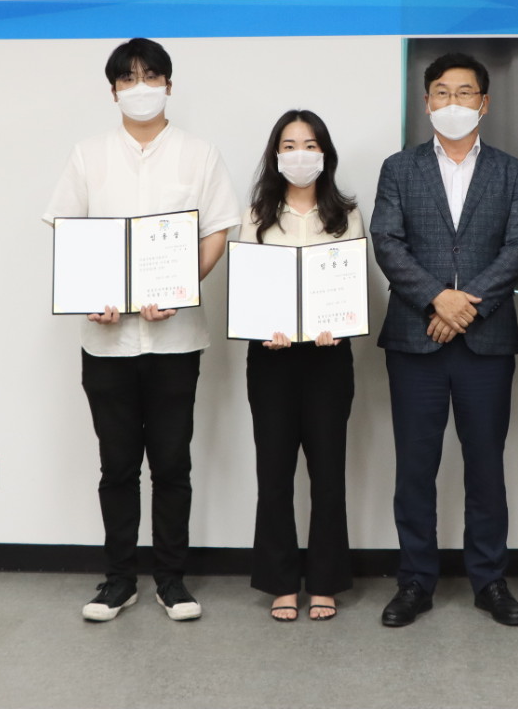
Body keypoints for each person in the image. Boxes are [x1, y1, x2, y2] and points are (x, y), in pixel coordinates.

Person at [43, 37, 242, 624]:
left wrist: (180, 285)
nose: (140, 88)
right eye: (127, 79)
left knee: (173, 464)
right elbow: (68, 232)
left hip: (176, 340)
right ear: (113, 92)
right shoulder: (88, 155)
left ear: (169, 85)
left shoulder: (199, 154)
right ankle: (119, 580)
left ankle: (172, 580)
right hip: (105, 341)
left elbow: (218, 230)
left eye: (150, 76)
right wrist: (90, 294)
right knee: (117, 466)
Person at [369, 51, 518, 628]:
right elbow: (387, 241)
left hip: (486, 342)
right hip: (415, 339)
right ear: (426, 103)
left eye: (465, 93)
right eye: (442, 92)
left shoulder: (510, 171)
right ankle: (415, 581)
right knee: (415, 467)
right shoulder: (399, 168)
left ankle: (490, 581)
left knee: (486, 466)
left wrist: (465, 305)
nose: (453, 102)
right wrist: (437, 298)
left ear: (484, 103)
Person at [242, 109, 362, 623]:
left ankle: (326, 581)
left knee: (328, 473)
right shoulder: (256, 215)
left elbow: (353, 285)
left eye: (310, 145)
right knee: (274, 473)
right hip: (270, 360)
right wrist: (262, 326)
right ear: (276, 155)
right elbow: (249, 288)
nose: (300, 155)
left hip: (328, 358)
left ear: (324, 154)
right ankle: (281, 582)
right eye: (289, 145)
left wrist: (339, 322)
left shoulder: (346, 214)